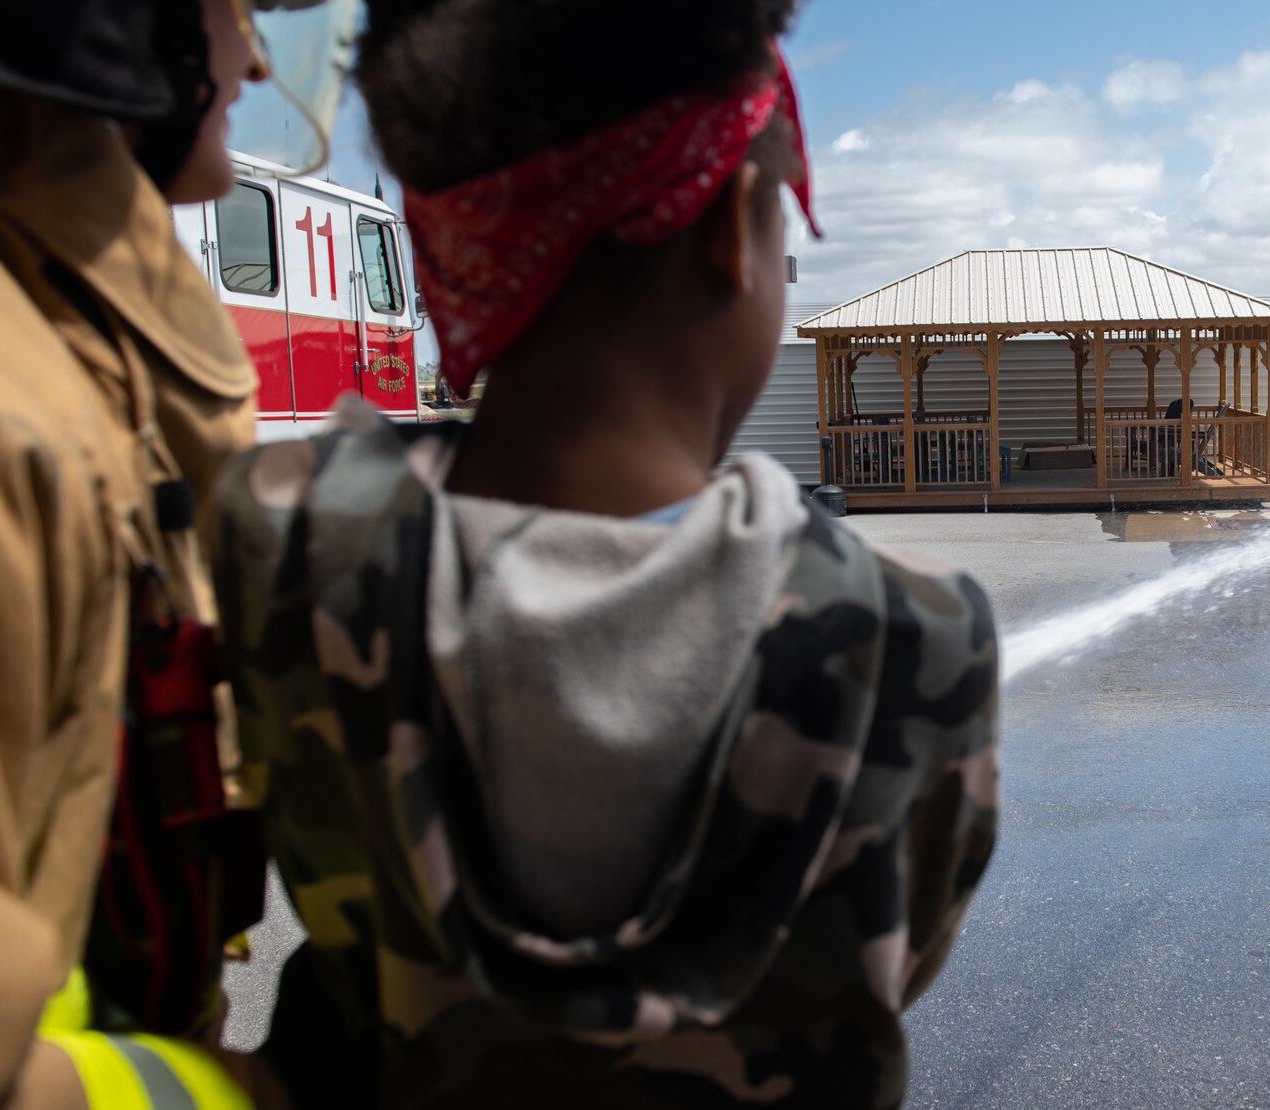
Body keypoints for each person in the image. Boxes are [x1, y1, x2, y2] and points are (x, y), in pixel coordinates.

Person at [212, 0, 1002, 1106]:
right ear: (735, 226)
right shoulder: (924, 640)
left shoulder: (277, 540)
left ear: (449, 254)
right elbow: (896, 955)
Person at [0, 1, 291, 1105]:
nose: (250, 57)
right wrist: (243, 1093)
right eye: (229, 8)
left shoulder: (77, 337)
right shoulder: (3, 412)